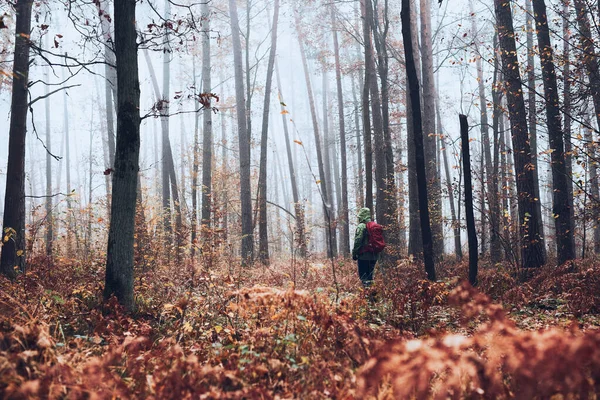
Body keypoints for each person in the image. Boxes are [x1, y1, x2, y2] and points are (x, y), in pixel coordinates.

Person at [352, 207, 379, 288]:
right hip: (374, 256)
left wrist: (354, 253)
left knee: (364, 277)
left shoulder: (361, 226)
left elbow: (358, 241)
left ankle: (366, 295)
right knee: (370, 276)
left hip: (364, 256)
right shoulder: (373, 225)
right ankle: (372, 295)